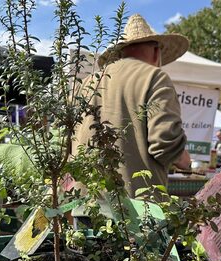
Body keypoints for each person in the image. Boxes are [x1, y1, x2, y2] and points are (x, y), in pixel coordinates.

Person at [74, 14, 191, 197]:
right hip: (136, 208)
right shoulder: (154, 77)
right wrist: (185, 160)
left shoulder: (88, 83)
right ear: (156, 52)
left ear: (121, 51)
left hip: (85, 203)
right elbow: (165, 141)